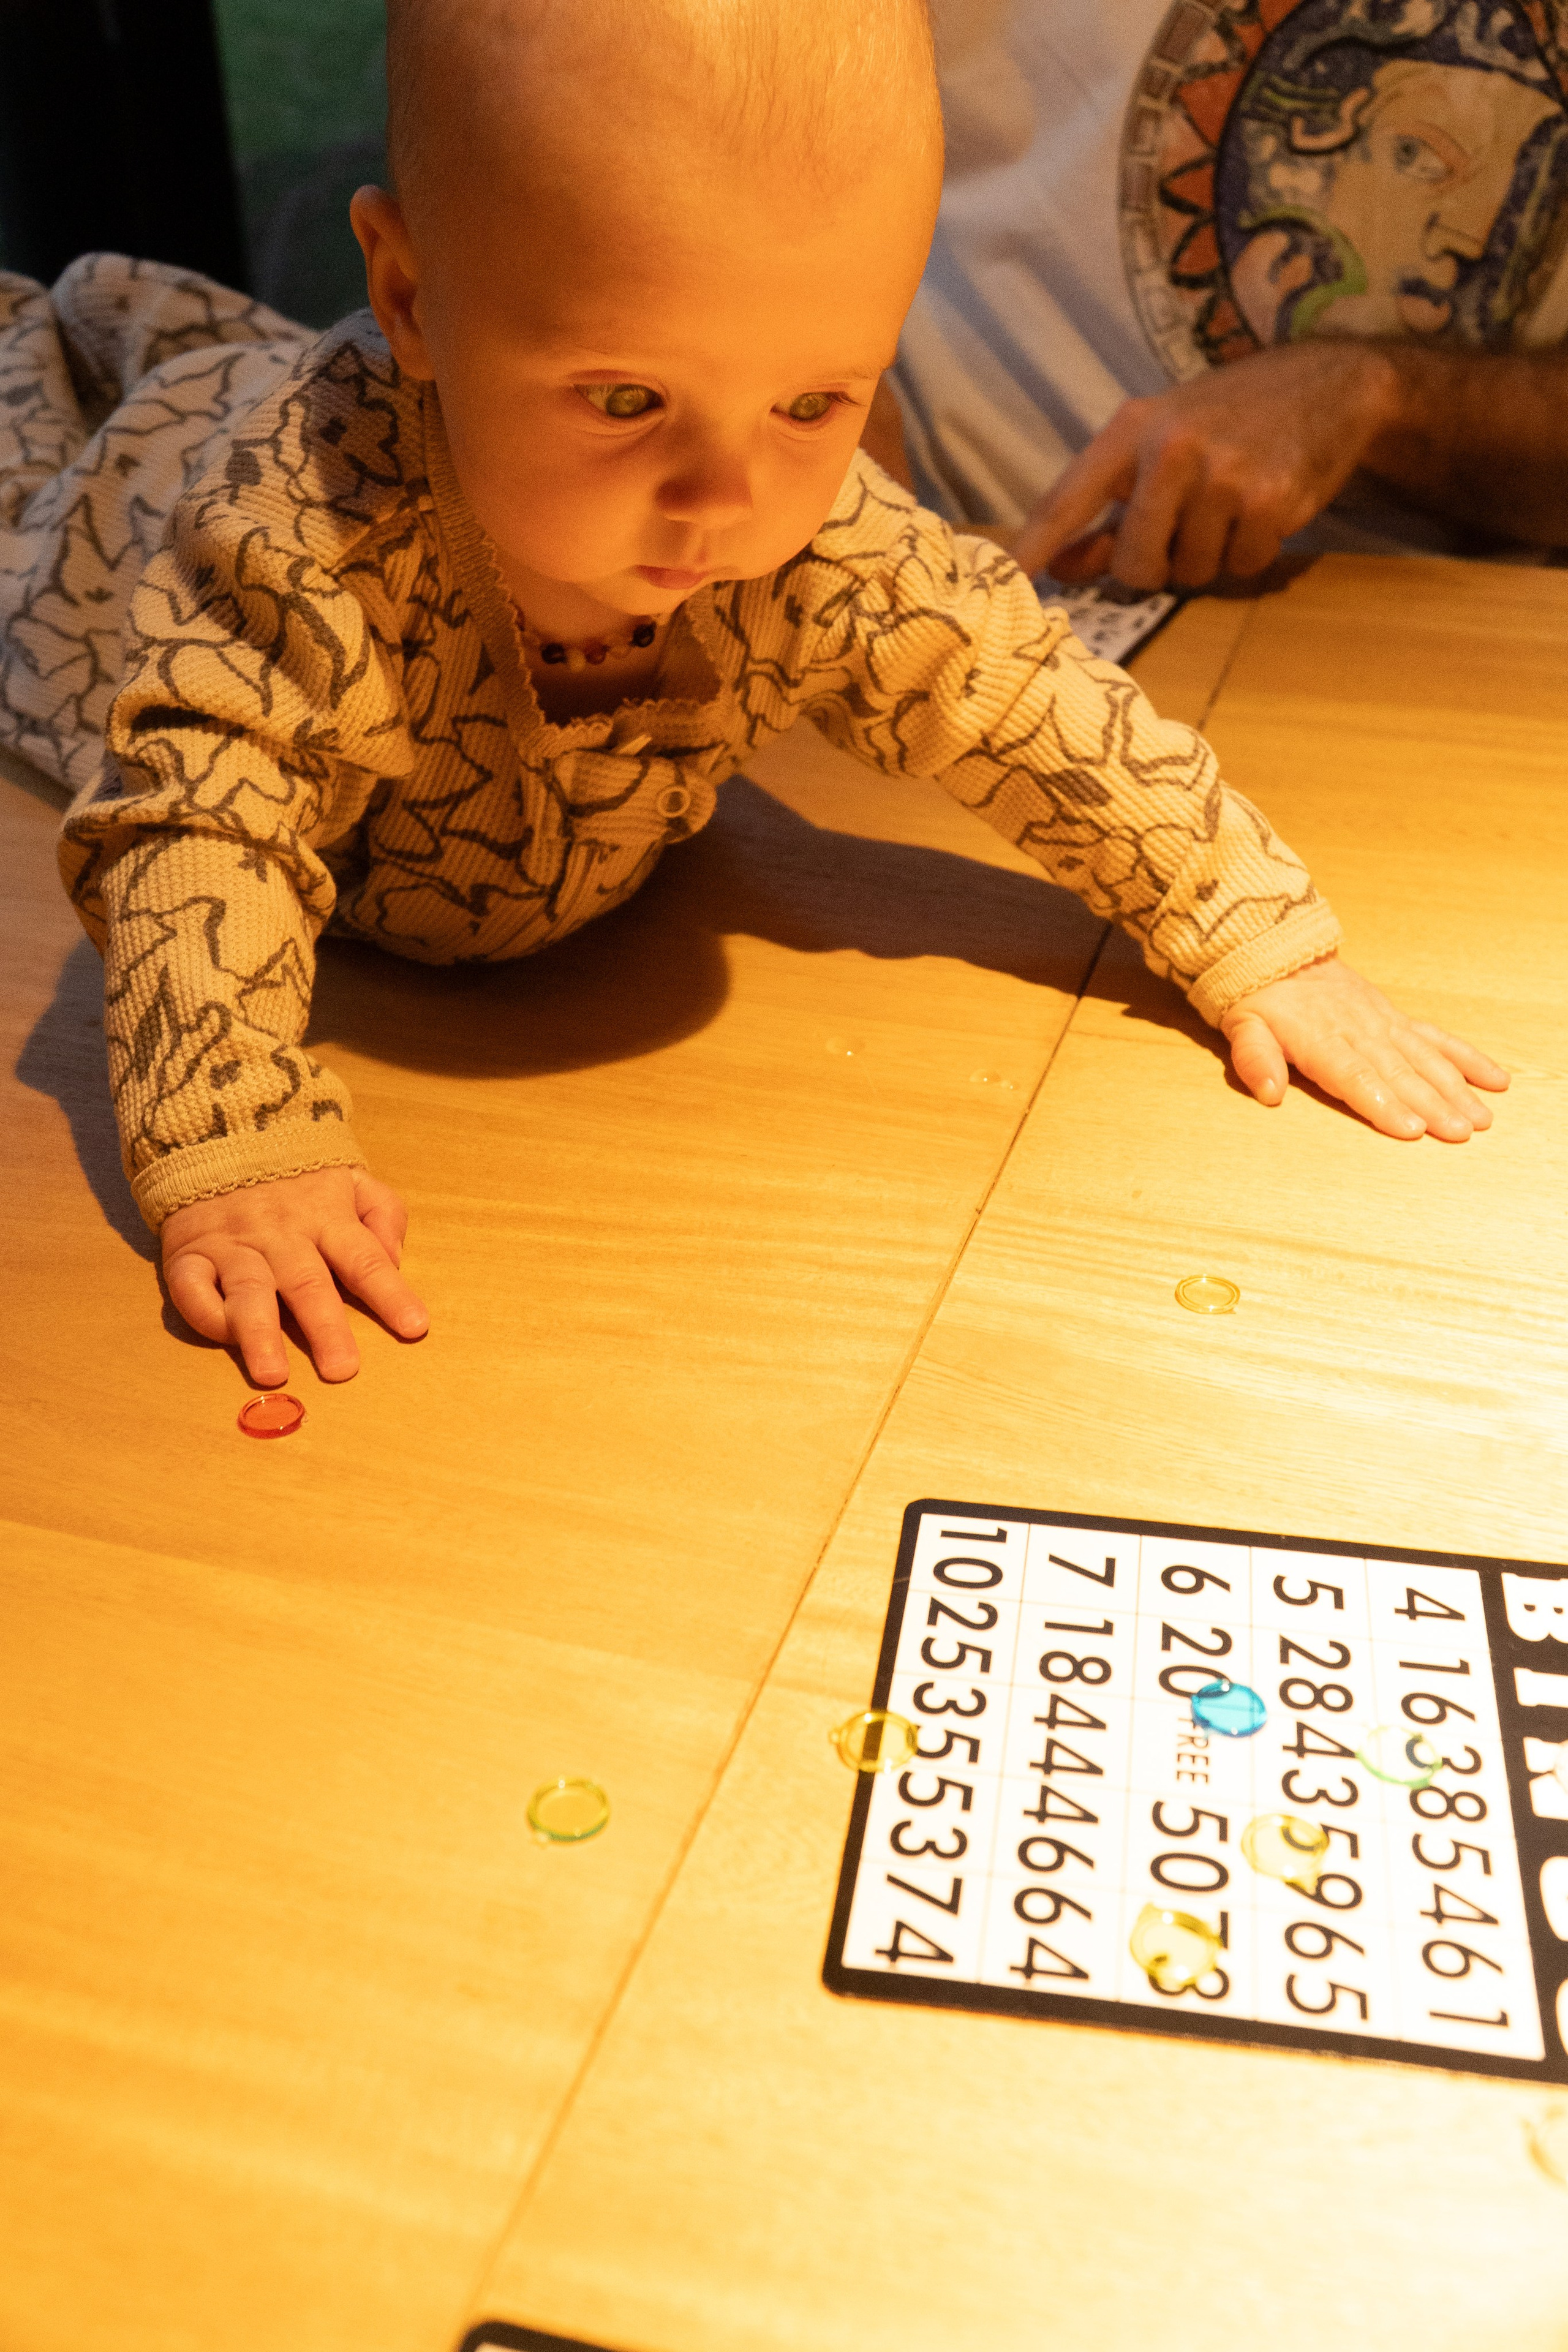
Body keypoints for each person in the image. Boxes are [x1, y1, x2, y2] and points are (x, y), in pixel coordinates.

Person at [1, 0, 1502, 1392]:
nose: (727, 497)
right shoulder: (296, 535)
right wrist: (237, 1144)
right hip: (117, 516)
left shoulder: (811, 527)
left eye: (812, 399)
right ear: (408, 296)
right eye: (625, 398)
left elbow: (1013, 679)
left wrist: (1239, 919)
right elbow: (197, 818)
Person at [881, 0, 1568, 589]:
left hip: (1484, 612)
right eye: (1420, 157)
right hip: (1006, 566)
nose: (1470, 240)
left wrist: (1386, 397)